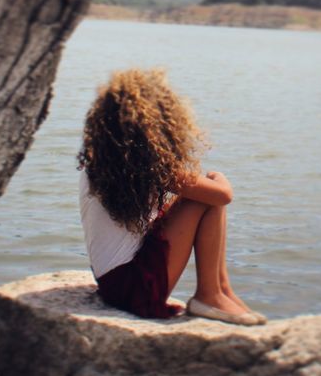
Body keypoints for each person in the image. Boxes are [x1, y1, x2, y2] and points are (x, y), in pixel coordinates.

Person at [77, 68, 265, 325]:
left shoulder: (103, 162)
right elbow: (223, 195)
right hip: (134, 288)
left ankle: (222, 292)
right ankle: (209, 295)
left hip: (114, 285)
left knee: (205, 197)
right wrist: (218, 175)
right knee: (207, 196)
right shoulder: (141, 164)